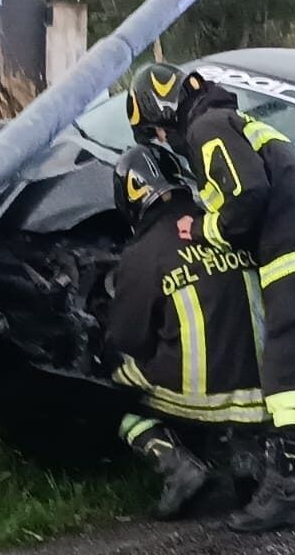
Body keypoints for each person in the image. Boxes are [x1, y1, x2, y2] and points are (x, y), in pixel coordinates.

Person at [126, 62, 295, 533]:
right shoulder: (231, 120)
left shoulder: (206, 128)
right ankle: (288, 477)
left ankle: (284, 492)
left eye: (154, 133)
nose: (161, 141)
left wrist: (206, 227)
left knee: (284, 376)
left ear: (162, 116)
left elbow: (247, 194)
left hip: (293, 255)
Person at [105, 143, 270, 520]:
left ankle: (178, 468)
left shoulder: (143, 252)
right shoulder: (220, 223)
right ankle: (247, 456)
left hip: (201, 395)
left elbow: (127, 337)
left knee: (109, 388)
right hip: (265, 386)